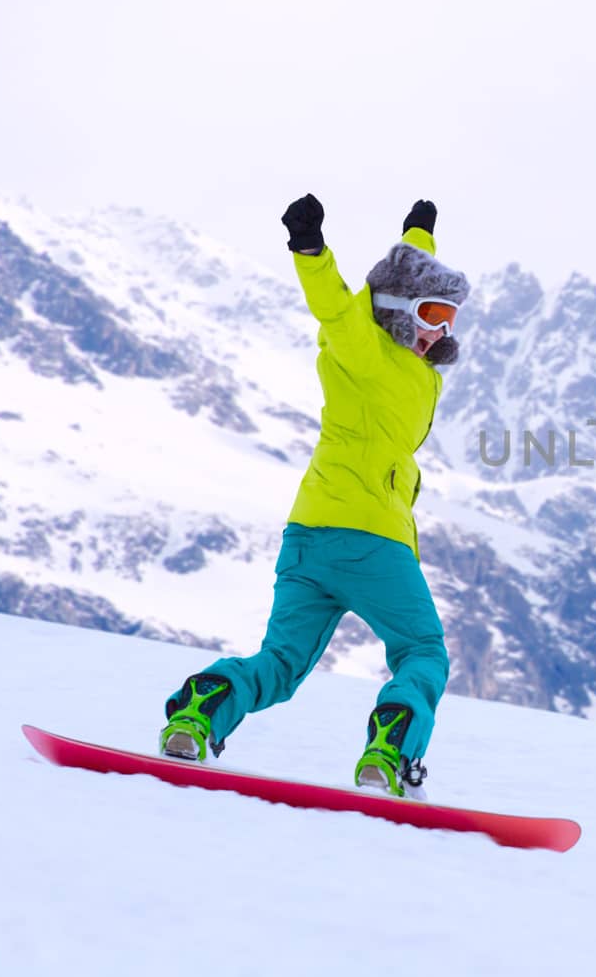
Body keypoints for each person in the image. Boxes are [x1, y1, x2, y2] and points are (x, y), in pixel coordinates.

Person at [158, 193, 470, 798]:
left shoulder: (392, 351)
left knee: (280, 663)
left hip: (306, 539)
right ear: (401, 310)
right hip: (371, 540)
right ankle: (390, 753)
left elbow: (395, 279)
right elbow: (339, 308)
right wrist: (311, 249)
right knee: (422, 650)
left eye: (450, 318)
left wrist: (416, 234)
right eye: (431, 313)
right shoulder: (367, 348)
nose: (439, 330)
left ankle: (198, 714)